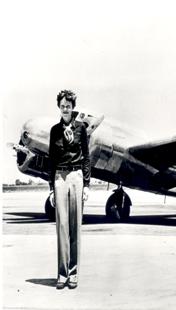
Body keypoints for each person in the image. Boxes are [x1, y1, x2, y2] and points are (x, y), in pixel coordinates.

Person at [48, 90, 90, 289]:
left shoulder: (81, 128)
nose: (65, 108)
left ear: (73, 107)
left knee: (75, 227)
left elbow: (87, 158)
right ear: (59, 107)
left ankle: (73, 274)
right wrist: (51, 188)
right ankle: (62, 274)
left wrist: (87, 185)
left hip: (76, 177)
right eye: (62, 105)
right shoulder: (54, 131)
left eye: (69, 105)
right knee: (62, 228)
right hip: (59, 177)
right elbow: (51, 161)